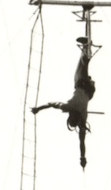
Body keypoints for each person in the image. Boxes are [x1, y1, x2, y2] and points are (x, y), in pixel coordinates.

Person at [33, 33, 98, 168]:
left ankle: (87, 49)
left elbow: (82, 142)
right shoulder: (69, 107)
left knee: (83, 68)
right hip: (82, 84)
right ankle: (87, 46)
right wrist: (38, 108)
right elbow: (51, 104)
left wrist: (83, 157)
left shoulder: (82, 117)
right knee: (81, 68)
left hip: (89, 90)